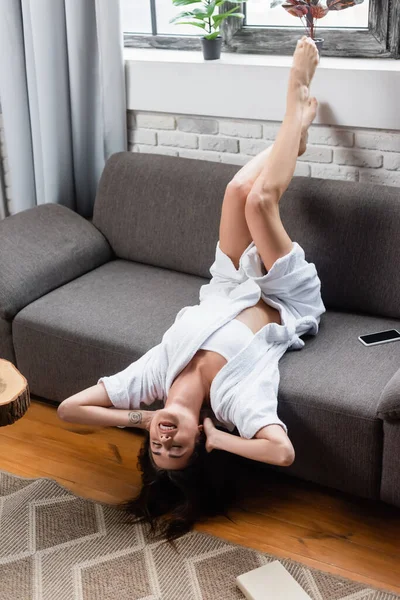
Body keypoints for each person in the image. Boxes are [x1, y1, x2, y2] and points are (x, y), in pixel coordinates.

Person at [58, 36, 325, 541]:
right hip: (287, 299)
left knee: (236, 191)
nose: (164, 441)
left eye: (157, 448)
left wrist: (137, 417)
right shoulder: (234, 401)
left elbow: (70, 411)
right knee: (260, 201)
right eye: (176, 449)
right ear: (197, 442)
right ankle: (298, 95)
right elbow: (281, 452)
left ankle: (297, 133)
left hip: (227, 284)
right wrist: (220, 440)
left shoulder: (153, 380)